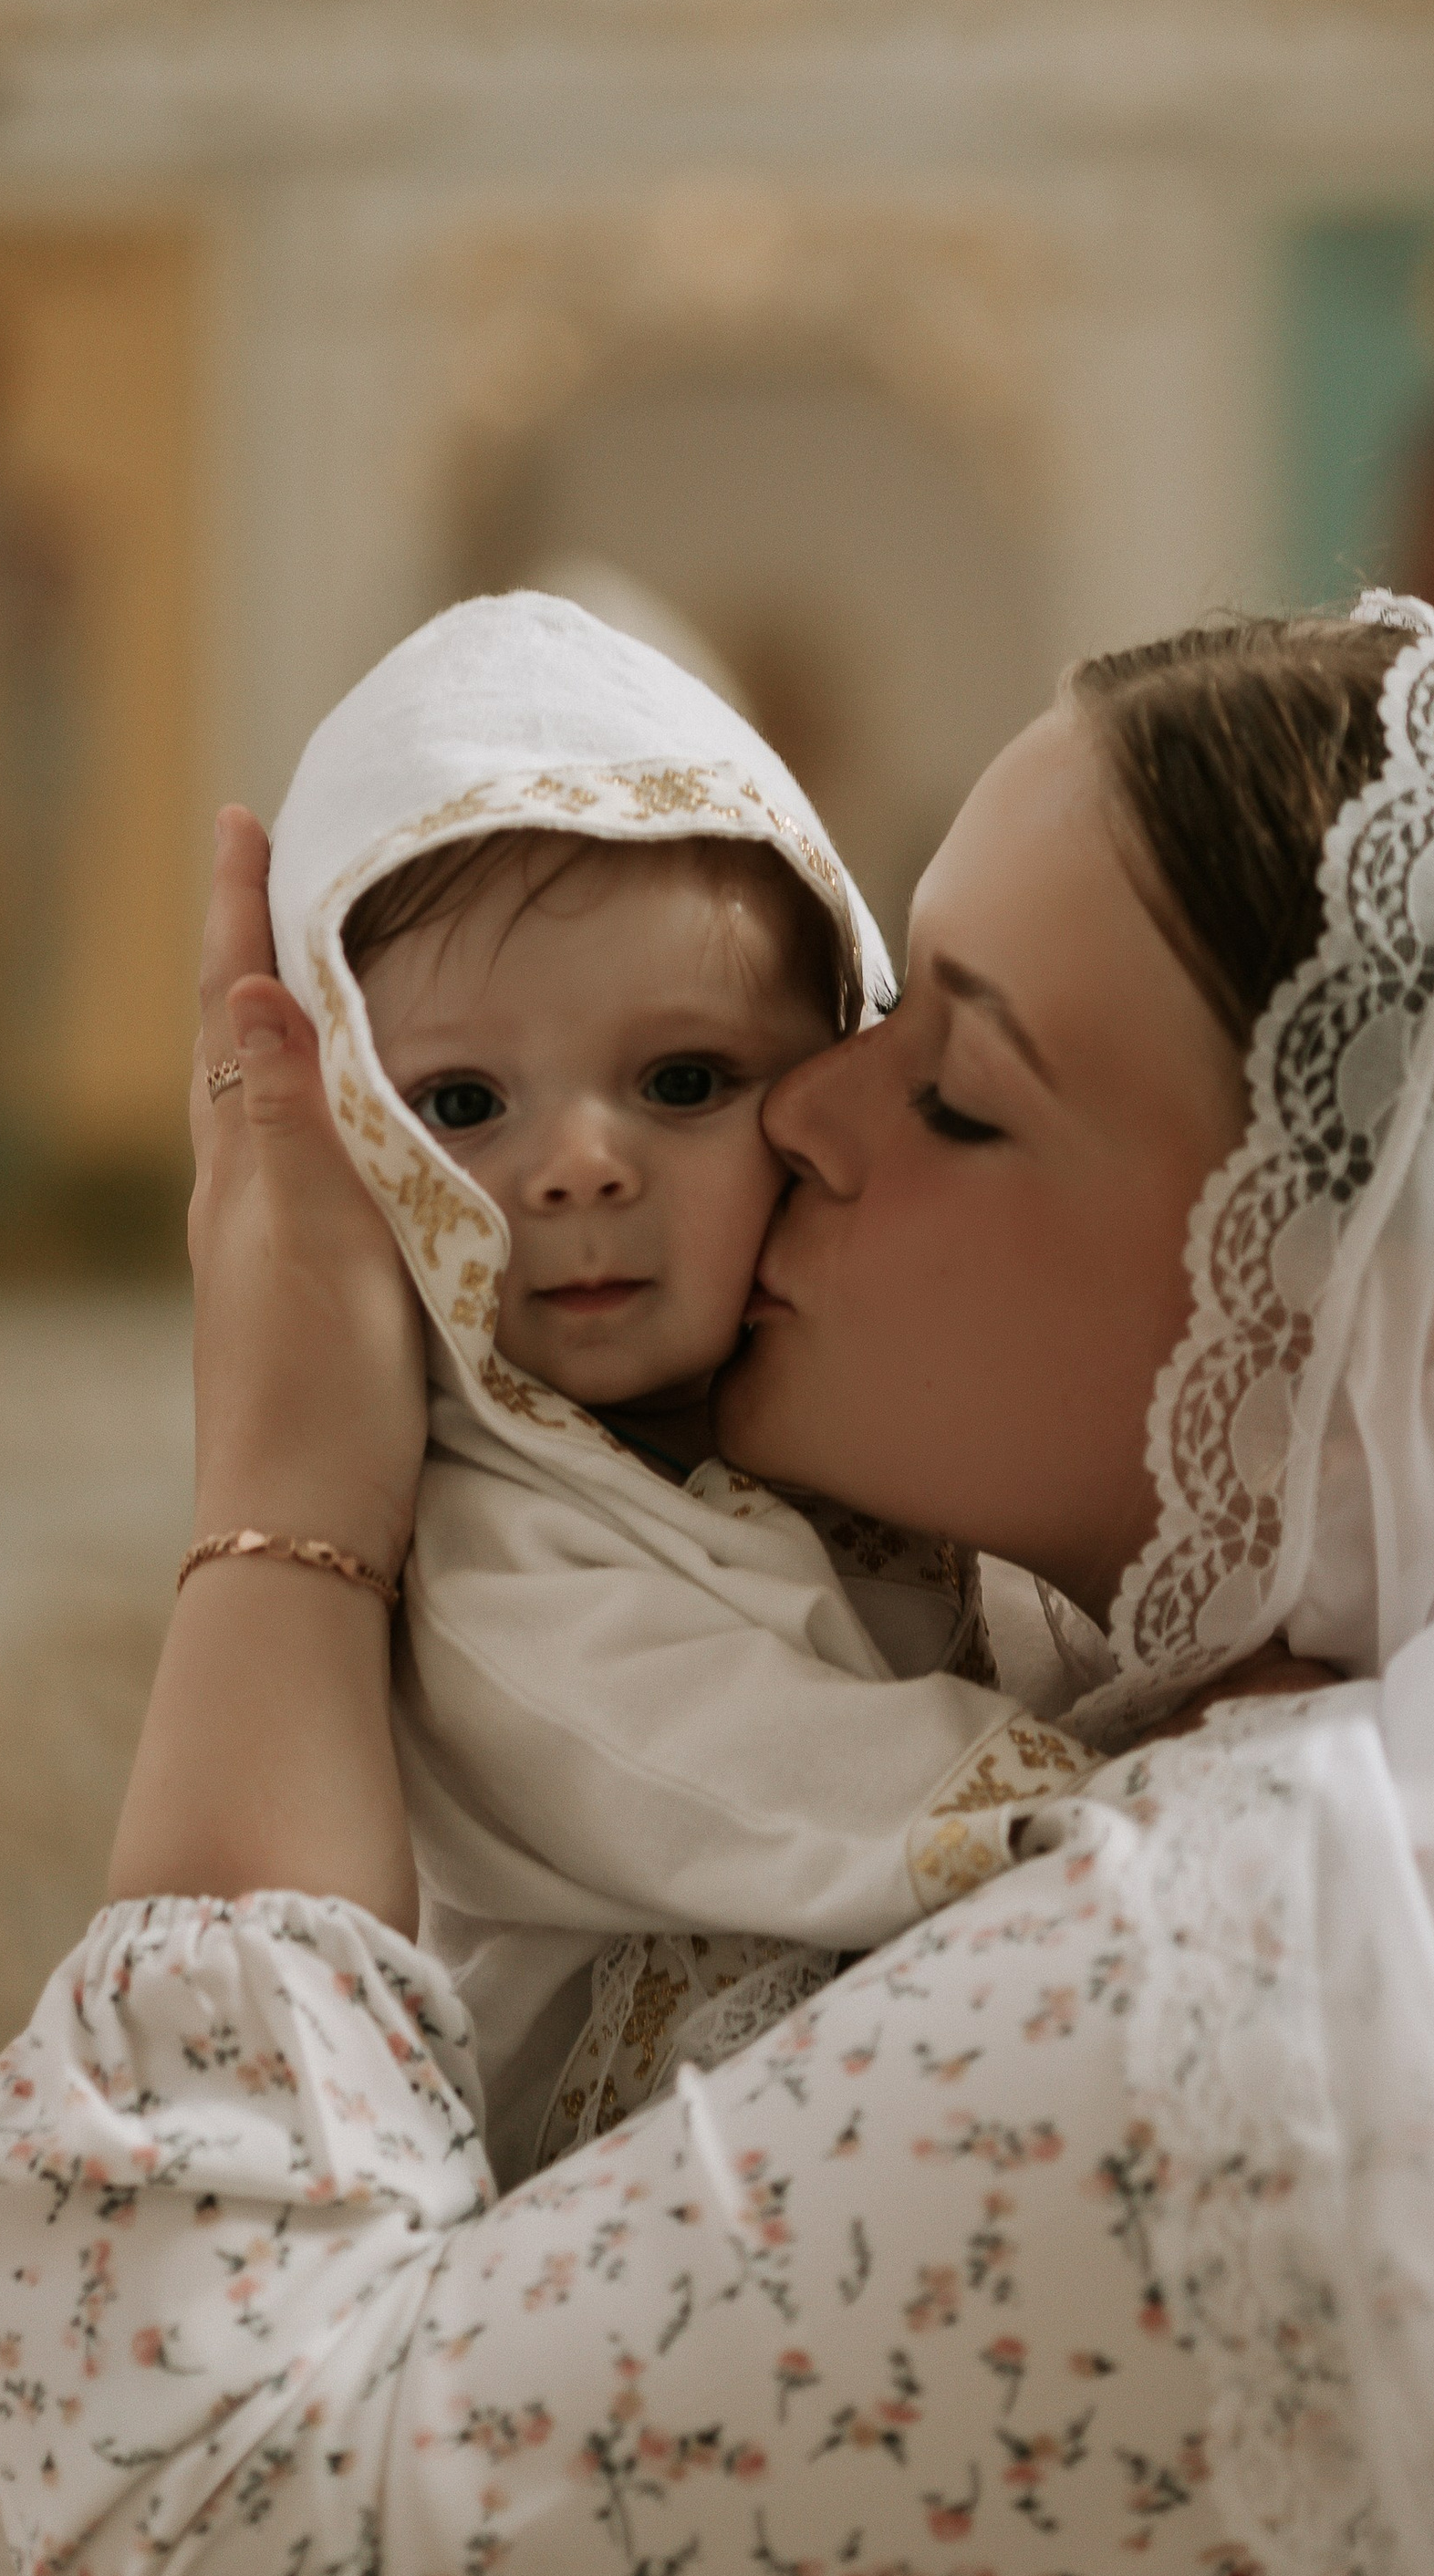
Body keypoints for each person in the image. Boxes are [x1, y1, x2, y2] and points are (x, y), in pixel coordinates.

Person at [0, 596, 1434, 2576]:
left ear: (1360, 1330)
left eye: (955, 1086)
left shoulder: (1324, 1950)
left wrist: (284, 1502)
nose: (802, 1105)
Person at [263, 592, 1086, 2180]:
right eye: (463, 1102)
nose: (577, 1168)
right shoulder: (483, 1535)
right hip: (629, 2195)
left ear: (840, 1061)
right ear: (353, 1138)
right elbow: (741, 1766)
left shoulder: (871, 1415)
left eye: (686, 1081)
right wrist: (1116, 1804)